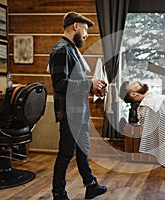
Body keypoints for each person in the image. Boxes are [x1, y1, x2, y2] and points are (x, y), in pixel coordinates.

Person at [49, 12, 107, 200]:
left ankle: (90, 185)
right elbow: (60, 83)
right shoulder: (61, 50)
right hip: (70, 113)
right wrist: (89, 85)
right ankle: (58, 193)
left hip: (79, 112)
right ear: (75, 26)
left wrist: (93, 89)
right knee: (66, 153)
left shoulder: (72, 49)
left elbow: (76, 83)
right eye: (85, 29)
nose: (86, 34)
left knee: (83, 150)